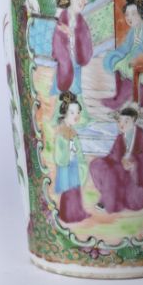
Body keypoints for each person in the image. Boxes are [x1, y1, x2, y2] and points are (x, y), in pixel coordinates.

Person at [89, 105, 143, 213]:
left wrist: (133, 163)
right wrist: (121, 161)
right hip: (121, 165)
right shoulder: (121, 136)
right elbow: (113, 154)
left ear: (134, 120)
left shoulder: (139, 133)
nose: (122, 124)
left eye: (126, 121)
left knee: (134, 198)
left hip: (136, 168)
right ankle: (107, 198)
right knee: (97, 165)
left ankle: (110, 200)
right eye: (120, 121)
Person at [51, 0, 93, 125]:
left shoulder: (81, 21)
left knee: (77, 88)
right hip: (65, 64)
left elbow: (86, 42)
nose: (81, 1)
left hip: (76, 61)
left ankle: (80, 117)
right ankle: (60, 116)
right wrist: (65, 60)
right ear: (69, 0)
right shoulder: (63, 19)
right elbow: (57, 42)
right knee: (62, 89)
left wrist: (73, 35)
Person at [102, 0, 143, 109]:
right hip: (132, 57)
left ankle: (121, 98)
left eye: (133, 14)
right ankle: (120, 95)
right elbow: (127, 46)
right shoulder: (133, 30)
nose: (129, 18)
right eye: (127, 15)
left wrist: (141, 44)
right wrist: (116, 53)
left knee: (125, 67)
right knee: (116, 62)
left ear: (140, 13)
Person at [54, 91, 90, 223]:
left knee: (75, 188)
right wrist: (68, 154)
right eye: (72, 113)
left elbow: (77, 149)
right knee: (68, 190)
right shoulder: (61, 131)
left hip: (74, 164)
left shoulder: (72, 131)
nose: (76, 116)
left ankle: (78, 213)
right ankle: (67, 215)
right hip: (67, 165)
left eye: (78, 112)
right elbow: (59, 153)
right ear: (65, 113)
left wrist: (80, 159)